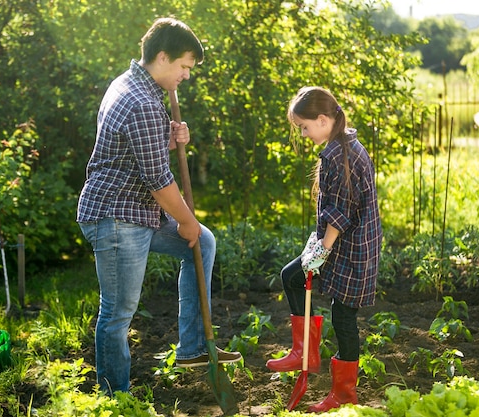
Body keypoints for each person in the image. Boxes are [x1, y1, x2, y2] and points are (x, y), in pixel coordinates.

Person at [76, 17, 241, 395]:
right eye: (184, 67)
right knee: (117, 314)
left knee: (205, 242)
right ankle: (115, 396)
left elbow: (135, 150)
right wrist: (186, 221)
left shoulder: (131, 85)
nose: (186, 76)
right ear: (163, 57)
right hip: (116, 217)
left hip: (132, 211)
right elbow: (159, 183)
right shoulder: (142, 103)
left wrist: (169, 137)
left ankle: (193, 348)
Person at [266, 86, 382, 412]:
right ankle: (305, 352)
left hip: (353, 250)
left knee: (343, 317)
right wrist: (317, 246)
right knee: (291, 276)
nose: (303, 133)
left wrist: (321, 252)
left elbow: (342, 212)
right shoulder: (340, 145)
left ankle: (344, 394)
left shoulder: (341, 154)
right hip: (342, 245)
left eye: (304, 126)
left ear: (321, 119)